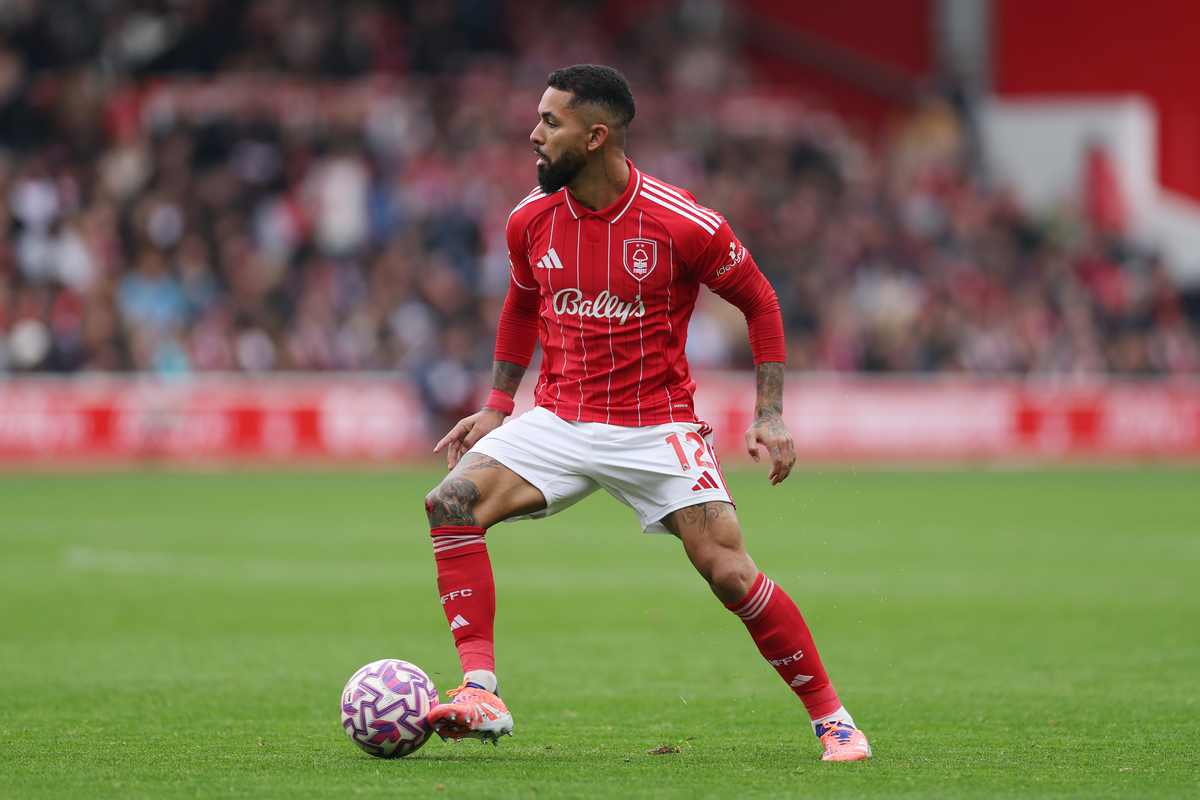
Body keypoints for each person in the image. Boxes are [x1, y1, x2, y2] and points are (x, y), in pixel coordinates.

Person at [423, 64, 871, 762]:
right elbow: (521, 304)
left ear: (596, 136)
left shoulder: (681, 221)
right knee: (450, 501)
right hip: (559, 419)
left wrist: (772, 413)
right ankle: (480, 690)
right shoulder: (528, 221)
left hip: (654, 425)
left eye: (551, 122)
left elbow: (761, 301)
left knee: (727, 571)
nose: (533, 134)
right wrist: (496, 406)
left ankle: (833, 719)